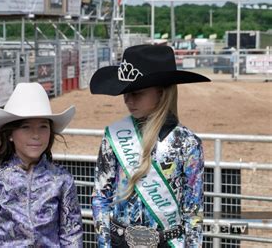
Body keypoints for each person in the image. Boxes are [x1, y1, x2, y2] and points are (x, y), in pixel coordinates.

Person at [89, 44, 210, 248]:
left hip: (169, 242)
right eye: (125, 93)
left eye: (137, 93)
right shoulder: (114, 137)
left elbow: (193, 210)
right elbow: (101, 196)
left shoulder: (187, 143)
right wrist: (104, 244)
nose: (127, 99)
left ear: (161, 93)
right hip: (120, 241)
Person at [0, 82, 84, 247]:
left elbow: (71, 234)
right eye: (26, 127)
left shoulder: (61, 180)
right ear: (10, 134)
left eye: (43, 127)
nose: (36, 135)